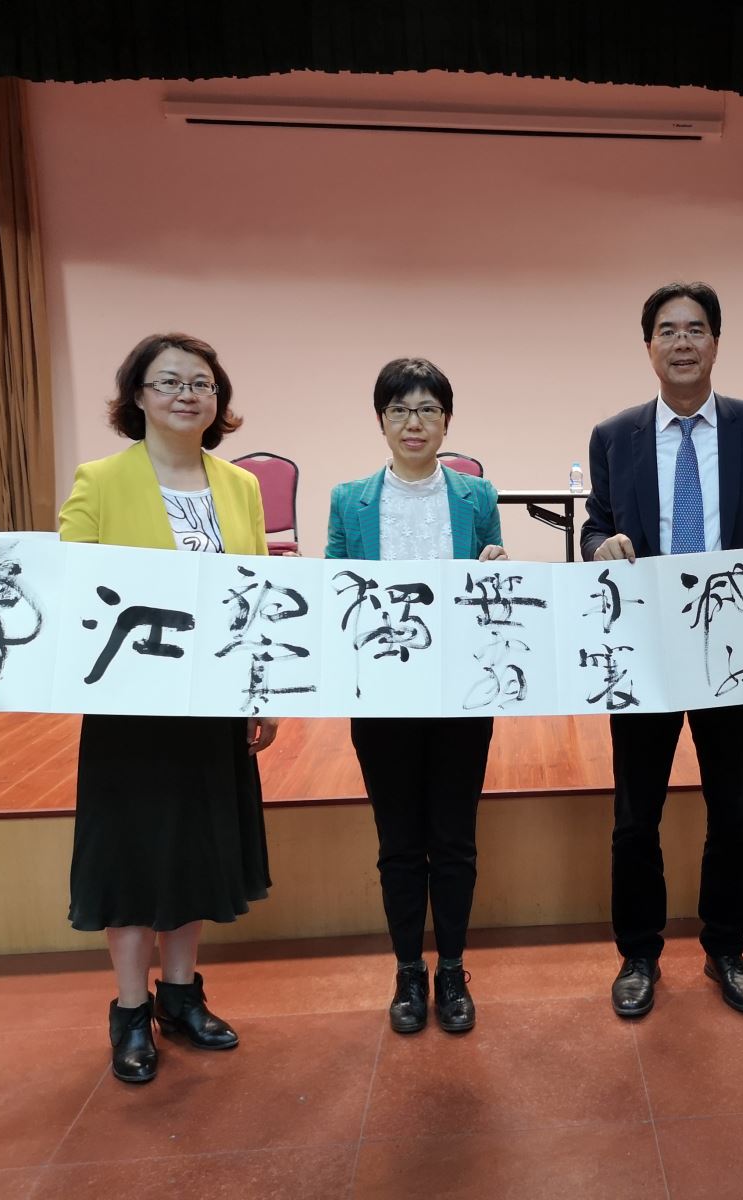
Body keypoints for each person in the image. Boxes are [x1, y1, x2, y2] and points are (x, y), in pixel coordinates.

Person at [0, 332, 277, 1085]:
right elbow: (51, 587)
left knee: (195, 846)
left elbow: (258, 596)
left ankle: (180, 996)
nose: (186, 394)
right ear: (137, 396)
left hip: (209, 702)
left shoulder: (240, 487)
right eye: (168, 381)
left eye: (201, 383)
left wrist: (259, 691)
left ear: (218, 400)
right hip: (127, 704)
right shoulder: (100, 481)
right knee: (129, 851)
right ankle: (131, 1011)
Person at [581, 281, 743, 1019]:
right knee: (634, 814)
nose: (682, 342)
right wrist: (599, 545)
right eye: (668, 331)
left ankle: (726, 948)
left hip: (731, 646)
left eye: (695, 329)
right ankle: (638, 954)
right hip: (645, 649)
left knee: (732, 809)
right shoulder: (614, 435)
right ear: (649, 346)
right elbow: (595, 525)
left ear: (716, 342)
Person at [326, 357, 505, 1035]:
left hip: (461, 691)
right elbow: (335, 591)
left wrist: (496, 568)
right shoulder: (349, 499)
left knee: (455, 839)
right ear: (381, 420)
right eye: (400, 410)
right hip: (382, 694)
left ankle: (452, 969)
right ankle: (408, 970)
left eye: (428, 409)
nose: (414, 423)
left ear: (447, 422)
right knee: (398, 841)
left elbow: (492, 591)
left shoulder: (477, 497)